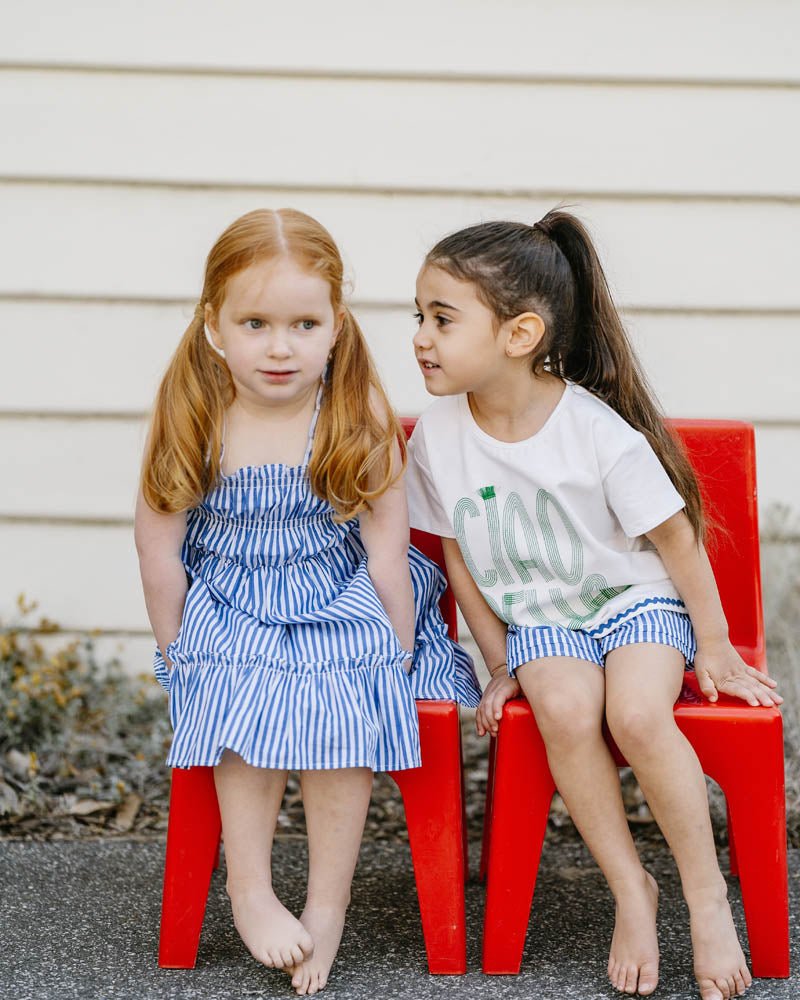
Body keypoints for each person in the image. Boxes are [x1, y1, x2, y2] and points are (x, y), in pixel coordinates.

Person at [405, 211, 782, 1000]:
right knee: (565, 709)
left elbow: (677, 542)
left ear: (519, 333)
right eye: (420, 318)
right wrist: (501, 661)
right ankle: (630, 890)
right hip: (543, 623)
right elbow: (460, 558)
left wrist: (714, 650)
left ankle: (706, 899)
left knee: (639, 716)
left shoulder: (594, 430)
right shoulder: (436, 438)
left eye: (442, 319)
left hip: (633, 602)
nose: (421, 337)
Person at [135, 208, 479, 996]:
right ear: (215, 328)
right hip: (232, 595)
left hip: (338, 591)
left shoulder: (352, 416)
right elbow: (158, 546)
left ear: (334, 326)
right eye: (254, 323)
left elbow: (388, 547)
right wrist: (176, 648)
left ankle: (328, 903)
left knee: (348, 688)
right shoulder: (195, 416)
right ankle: (248, 889)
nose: (280, 346)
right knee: (234, 682)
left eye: (303, 323)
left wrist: (393, 644)